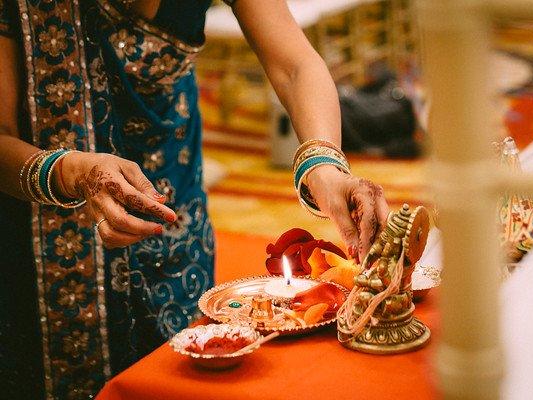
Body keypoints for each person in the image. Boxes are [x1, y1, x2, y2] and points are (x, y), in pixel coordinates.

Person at [0, 0, 389, 398]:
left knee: (183, 376)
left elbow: (294, 65)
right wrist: (72, 173)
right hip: (47, 241)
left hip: (173, 208)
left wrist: (324, 167)